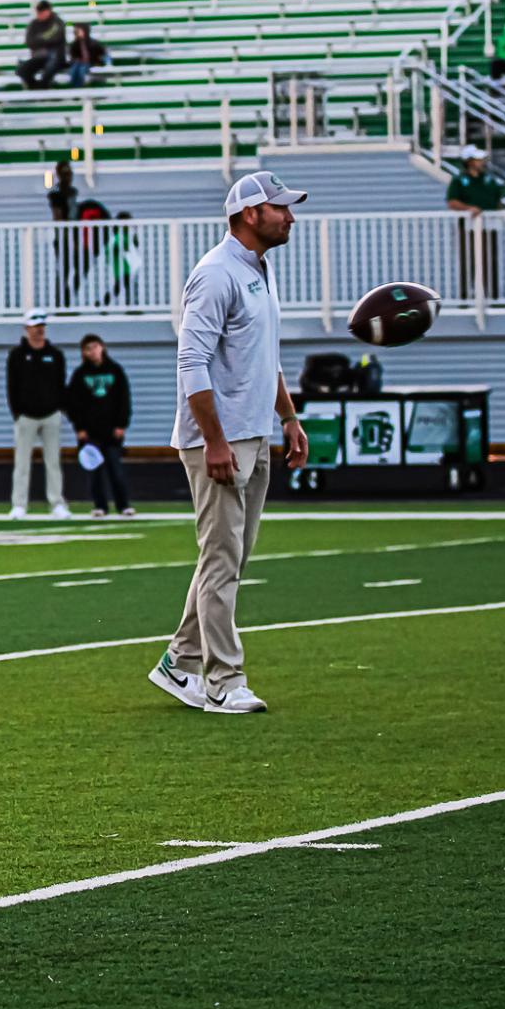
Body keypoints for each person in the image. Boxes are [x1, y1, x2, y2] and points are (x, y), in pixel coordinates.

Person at [153, 170, 311, 716]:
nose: (290, 217)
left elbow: (263, 358)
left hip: (254, 433)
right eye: (281, 209)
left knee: (229, 558)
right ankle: (223, 678)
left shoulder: (257, 270)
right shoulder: (216, 274)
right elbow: (190, 364)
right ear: (250, 214)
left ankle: (180, 659)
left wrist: (288, 417)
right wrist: (213, 442)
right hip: (219, 441)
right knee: (221, 559)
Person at [5, 310, 69, 520]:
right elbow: (12, 386)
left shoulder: (55, 354)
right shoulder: (17, 355)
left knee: (53, 462)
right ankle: (19, 504)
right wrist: (17, 412)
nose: (39, 330)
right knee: (22, 462)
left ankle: (57, 503)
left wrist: (59, 408)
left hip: (50, 415)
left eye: (42, 325)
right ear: (27, 328)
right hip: (26, 417)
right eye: (35, 326)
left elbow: (60, 385)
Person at [65, 334, 134, 518]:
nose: (92, 351)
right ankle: (100, 506)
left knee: (115, 469)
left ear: (102, 347)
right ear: (83, 352)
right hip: (90, 433)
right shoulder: (80, 375)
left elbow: (124, 399)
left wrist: (121, 424)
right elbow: (73, 403)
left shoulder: (115, 371)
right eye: (88, 348)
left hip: (111, 431)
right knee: (94, 471)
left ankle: (123, 505)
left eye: (95, 347)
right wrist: (79, 428)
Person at [445, 146, 505, 300]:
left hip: (489, 224)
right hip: (468, 226)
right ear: (469, 161)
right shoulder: (459, 180)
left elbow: (498, 199)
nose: (481, 162)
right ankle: (466, 294)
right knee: (468, 259)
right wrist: (469, 208)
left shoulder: (489, 179)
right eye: (477, 159)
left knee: (490, 259)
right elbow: (452, 202)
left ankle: (492, 294)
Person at [17, 0, 68, 89]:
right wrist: (45, 42)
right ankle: (36, 88)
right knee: (22, 70)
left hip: (56, 57)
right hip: (39, 57)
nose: (39, 15)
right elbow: (29, 42)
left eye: (41, 12)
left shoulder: (58, 22)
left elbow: (56, 38)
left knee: (49, 69)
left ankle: (42, 90)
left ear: (48, 11)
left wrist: (39, 40)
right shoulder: (34, 24)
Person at [66, 23, 110, 88]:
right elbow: (72, 56)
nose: (77, 32)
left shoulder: (94, 43)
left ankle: (79, 89)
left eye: (79, 30)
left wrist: (104, 62)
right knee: (75, 69)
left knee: (81, 70)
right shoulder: (74, 44)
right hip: (79, 64)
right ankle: (76, 89)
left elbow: (104, 54)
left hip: (91, 63)